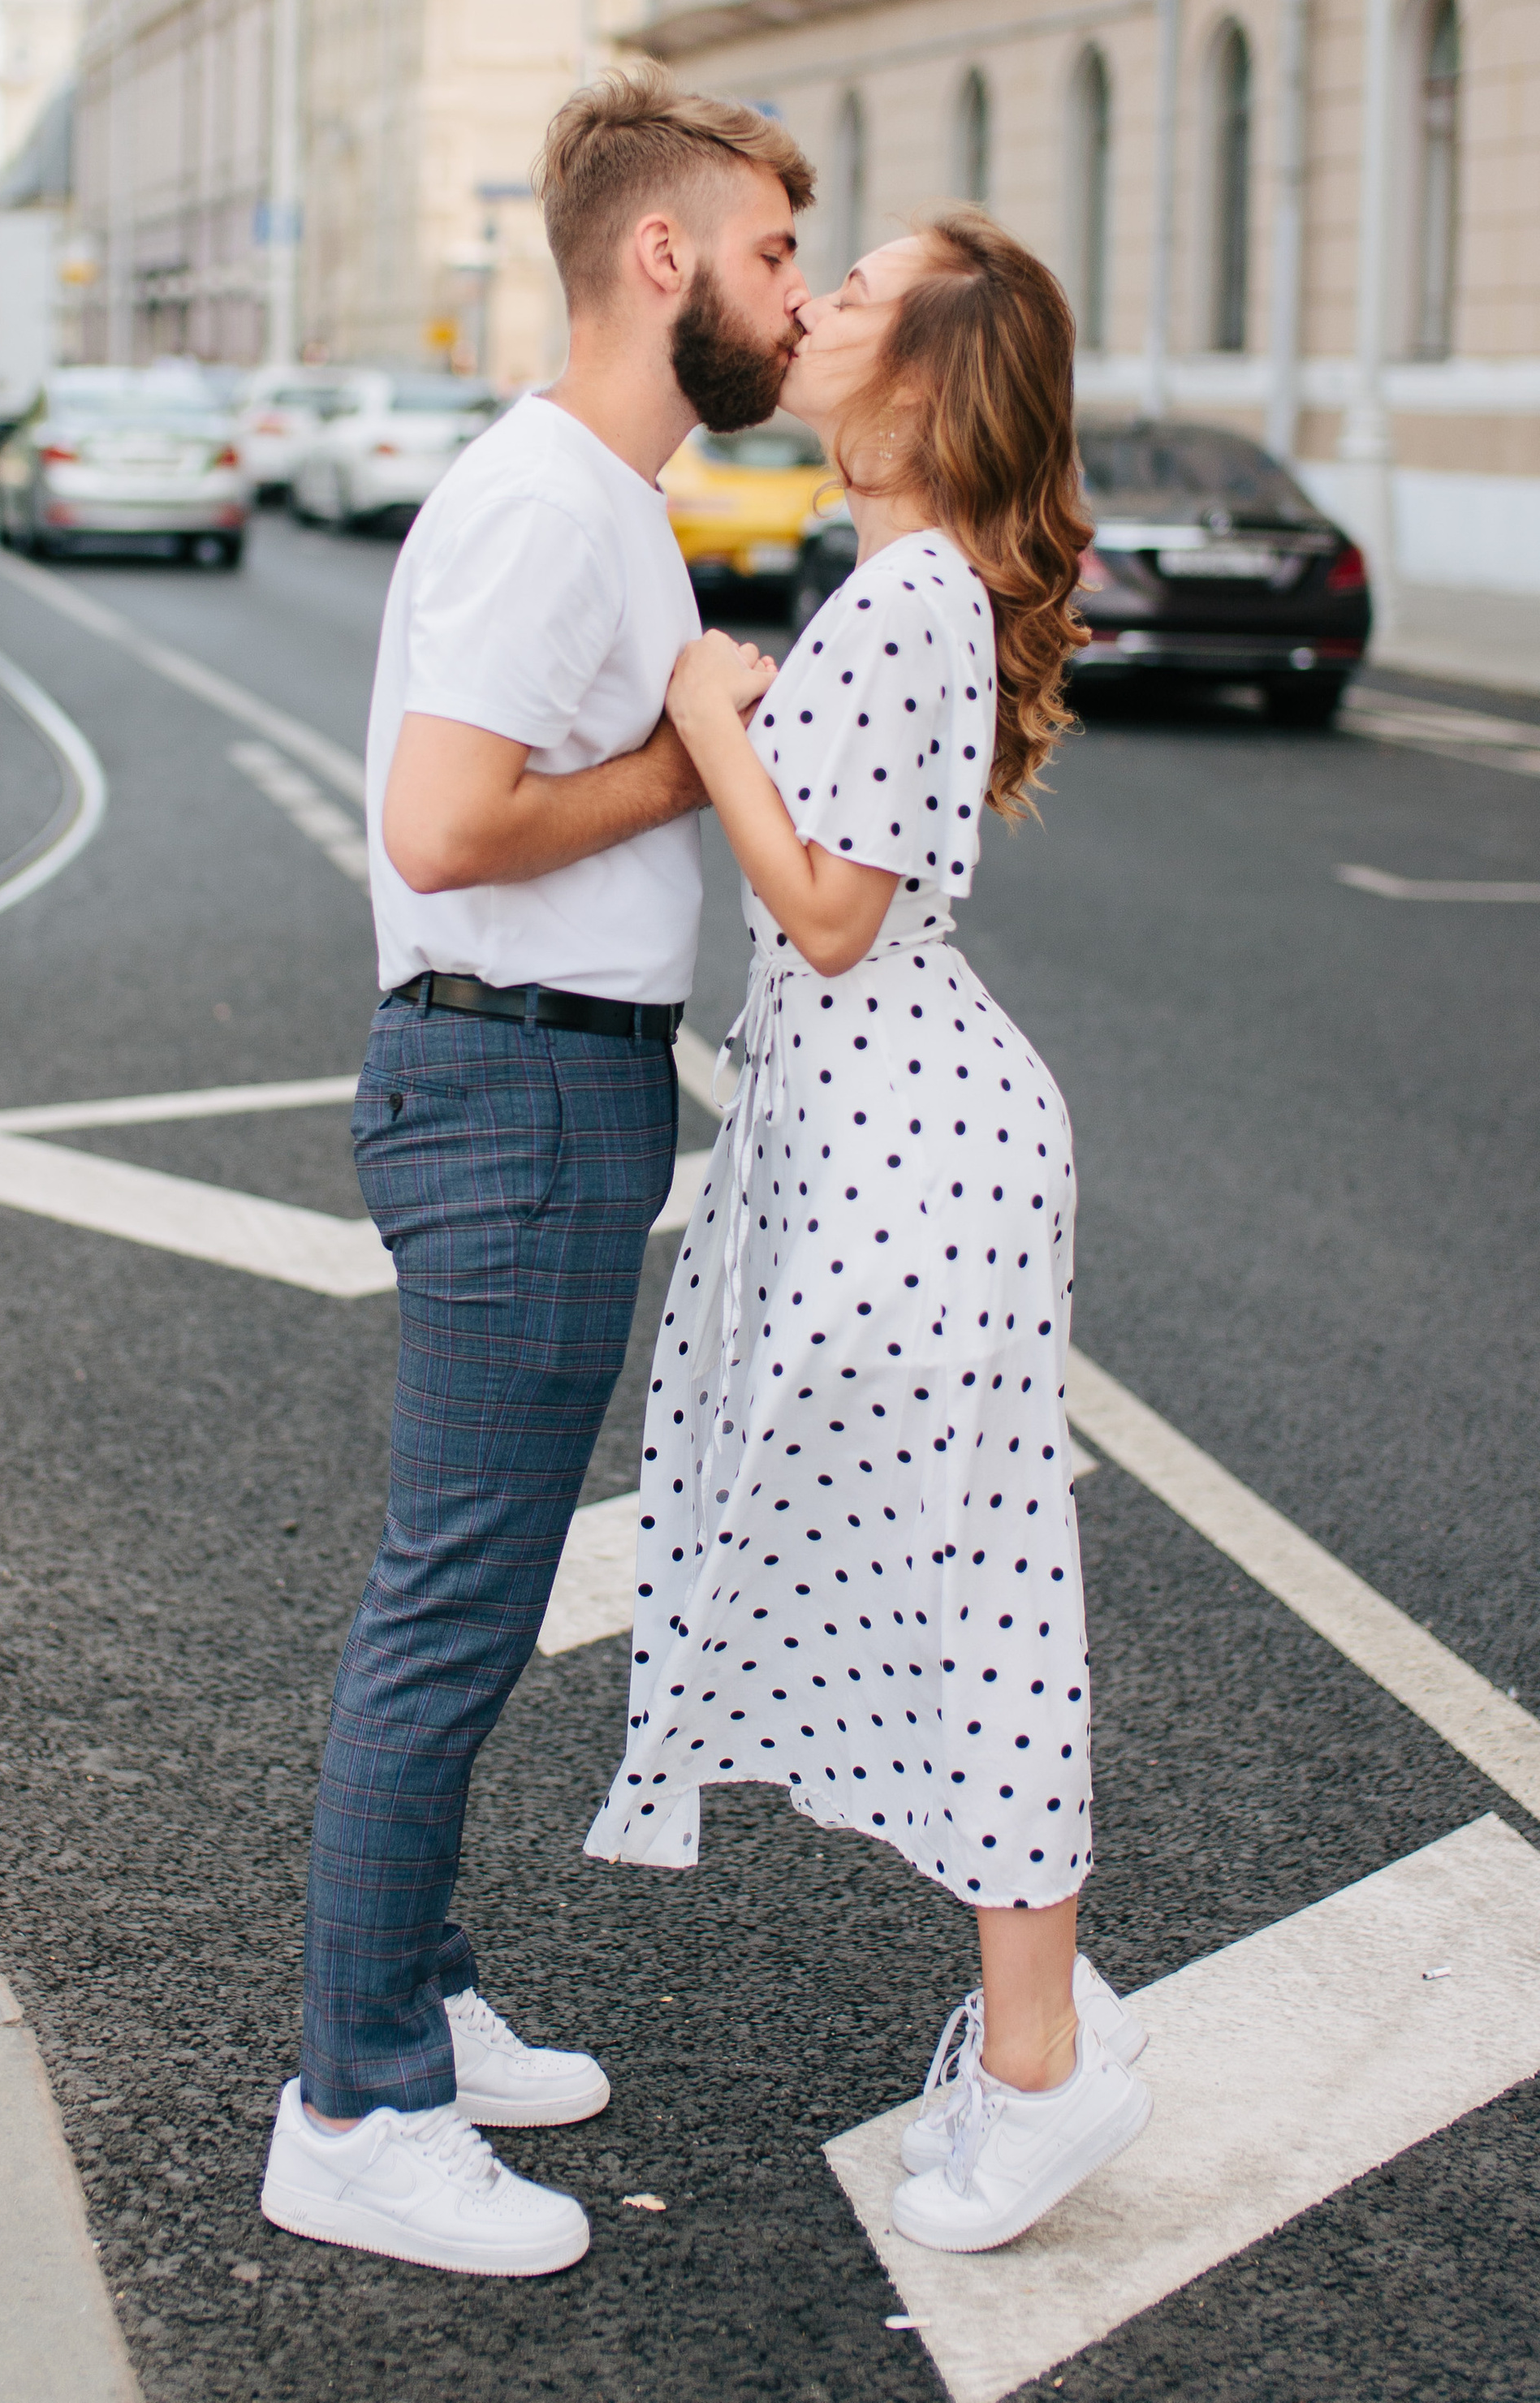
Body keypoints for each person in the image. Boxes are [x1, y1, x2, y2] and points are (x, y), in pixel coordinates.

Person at [258, 63, 816, 2277]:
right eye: (776, 249)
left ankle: (415, 1996)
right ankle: (357, 2106)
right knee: (453, 1603)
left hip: (547, 1087)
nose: (793, 292)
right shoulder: (545, 501)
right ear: (661, 258)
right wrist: (691, 759)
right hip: (505, 1092)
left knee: (467, 1606)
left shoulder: (597, 492)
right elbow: (445, 822)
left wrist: (677, 734)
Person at [586, 206, 1154, 2254]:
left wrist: (710, 711)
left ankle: (1037, 2068)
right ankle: (1037, 2015)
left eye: (853, 287)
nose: (811, 302)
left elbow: (827, 910)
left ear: (919, 373)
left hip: (916, 1144)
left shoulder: (906, 591)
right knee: (935, 1575)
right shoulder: (905, 578)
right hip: (879, 1134)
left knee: (980, 1589)